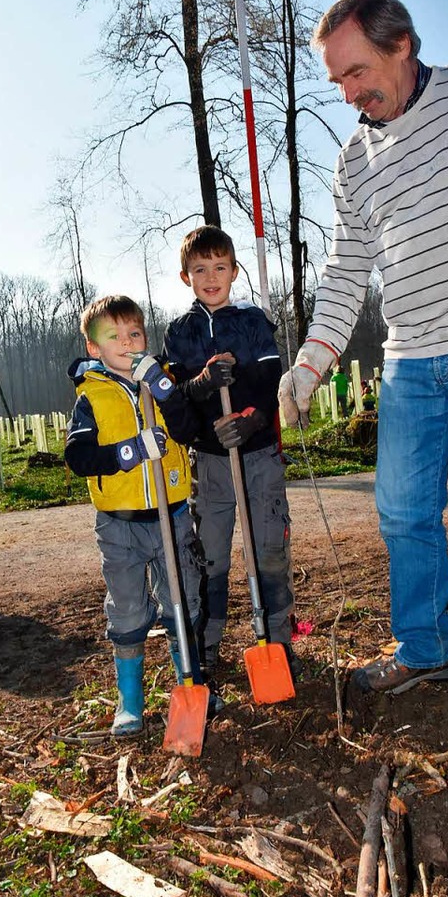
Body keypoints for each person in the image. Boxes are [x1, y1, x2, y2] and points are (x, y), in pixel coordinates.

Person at [278, 0, 448, 726]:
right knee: (402, 512)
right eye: (337, 81)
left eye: (357, 71)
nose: (349, 93)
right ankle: (426, 645)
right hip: (408, 360)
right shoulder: (353, 162)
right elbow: (343, 272)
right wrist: (310, 362)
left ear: (403, 45)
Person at [64, 295, 220, 737]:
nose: (127, 342)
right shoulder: (91, 396)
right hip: (120, 525)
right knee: (129, 611)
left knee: (182, 602)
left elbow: (189, 428)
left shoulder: (160, 382)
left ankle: (191, 683)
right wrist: (129, 452)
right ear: (95, 350)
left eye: (134, 333)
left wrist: (163, 387)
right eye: (114, 336)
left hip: (171, 516)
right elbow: (78, 456)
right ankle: (130, 703)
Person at [162, 225, 300, 682]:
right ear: (186, 277)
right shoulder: (179, 334)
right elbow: (176, 397)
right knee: (211, 558)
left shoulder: (253, 321)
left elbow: (270, 382)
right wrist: (201, 385)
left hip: (258, 457)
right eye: (199, 269)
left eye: (219, 267)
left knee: (269, 552)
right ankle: (208, 642)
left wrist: (254, 418)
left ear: (235, 271)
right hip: (211, 464)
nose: (210, 277)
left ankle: (277, 639)